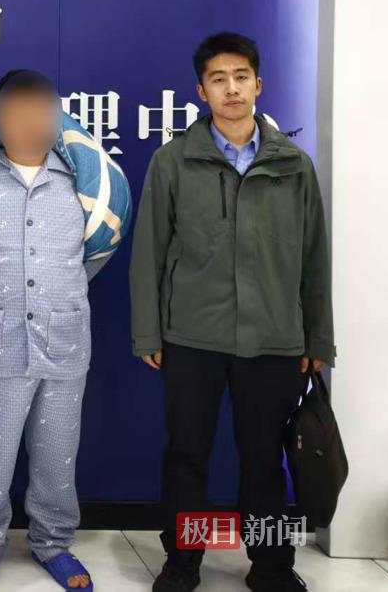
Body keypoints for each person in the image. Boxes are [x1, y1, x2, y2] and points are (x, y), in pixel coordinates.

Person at [129, 32, 334, 592]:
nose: (232, 88)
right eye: (218, 79)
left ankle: (270, 566)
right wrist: (148, 332)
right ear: (202, 91)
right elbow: (149, 254)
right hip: (192, 337)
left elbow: (314, 258)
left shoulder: (293, 166)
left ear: (258, 85)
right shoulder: (174, 162)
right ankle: (183, 561)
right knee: (187, 455)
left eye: (241, 77)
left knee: (265, 458)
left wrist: (318, 339)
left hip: (273, 338)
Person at [0, 70, 106, 592]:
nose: (30, 122)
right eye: (18, 111)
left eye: (42, 110)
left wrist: (55, 296)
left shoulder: (81, 182)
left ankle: (53, 543)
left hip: (64, 339)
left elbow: (96, 252)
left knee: (59, 450)